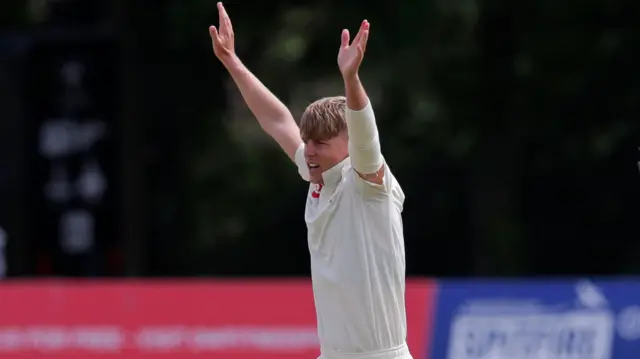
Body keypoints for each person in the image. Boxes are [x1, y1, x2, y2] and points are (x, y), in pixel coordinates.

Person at [209, 3, 410, 359]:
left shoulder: (368, 184)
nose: (309, 151)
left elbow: (366, 139)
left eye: (320, 142)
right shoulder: (318, 176)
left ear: (347, 146)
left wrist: (351, 79)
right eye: (307, 141)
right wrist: (232, 62)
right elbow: (277, 121)